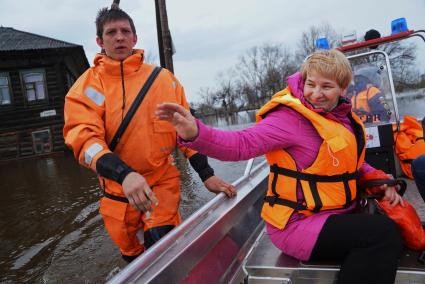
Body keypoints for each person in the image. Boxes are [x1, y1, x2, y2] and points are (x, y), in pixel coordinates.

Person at [156, 50, 404, 283]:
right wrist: (195, 132)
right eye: (311, 84)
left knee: (395, 229)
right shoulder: (288, 119)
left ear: (342, 89)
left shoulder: (342, 118)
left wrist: (381, 182)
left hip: (333, 213)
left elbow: (352, 164)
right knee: (382, 235)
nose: (316, 93)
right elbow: (240, 144)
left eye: (326, 86)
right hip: (297, 224)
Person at [63, 3, 235, 263]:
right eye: (111, 32)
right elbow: (85, 141)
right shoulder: (83, 90)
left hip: (160, 185)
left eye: (125, 31)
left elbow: (187, 133)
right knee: (133, 257)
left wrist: (207, 175)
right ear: (99, 41)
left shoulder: (164, 81)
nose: (119, 37)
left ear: (135, 38)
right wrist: (125, 175)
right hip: (117, 193)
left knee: (160, 247)